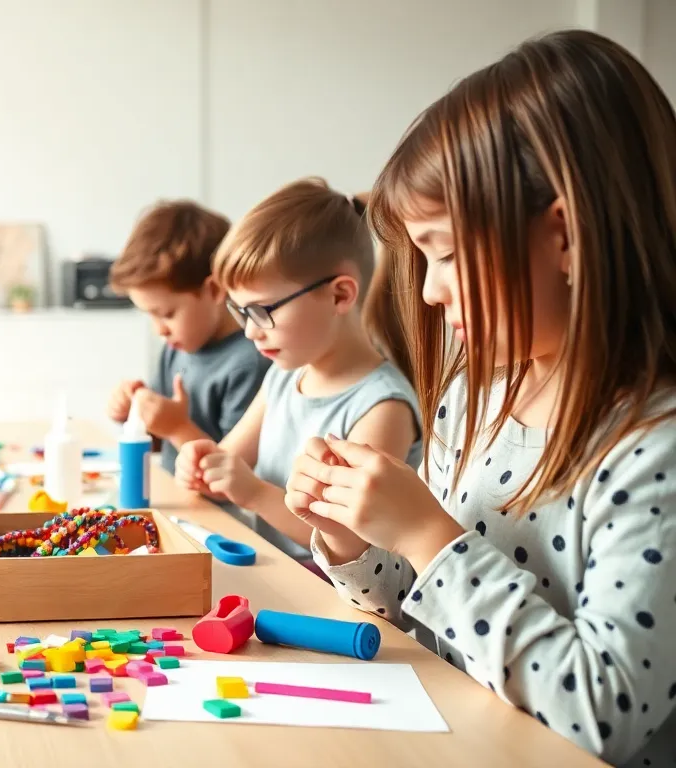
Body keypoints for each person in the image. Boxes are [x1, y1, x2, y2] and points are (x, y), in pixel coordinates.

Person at [285, 30, 676, 766]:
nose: (429, 292)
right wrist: (352, 533)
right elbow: (418, 604)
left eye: (446, 251)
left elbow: (602, 715)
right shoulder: (477, 395)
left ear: (564, 235)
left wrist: (430, 536)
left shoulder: (655, 449)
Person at [177, 178, 420, 559]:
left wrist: (253, 493)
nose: (250, 331)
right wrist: (203, 467)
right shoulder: (285, 375)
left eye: (262, 311)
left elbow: (348, 544)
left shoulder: (382, 407)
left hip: (334, 596)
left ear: (340, 294)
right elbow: (229, 465)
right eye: (240, 312)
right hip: (276, 574)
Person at [106, 200, 270, 476]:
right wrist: (136, 417)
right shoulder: (175, 347)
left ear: (215, 290)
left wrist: (176, 427)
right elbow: (160, 443)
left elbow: (236, 475)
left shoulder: (250, 361)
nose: (159, 329)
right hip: (178, 500)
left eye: (167, 313)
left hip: (219, 514)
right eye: (150, 316)